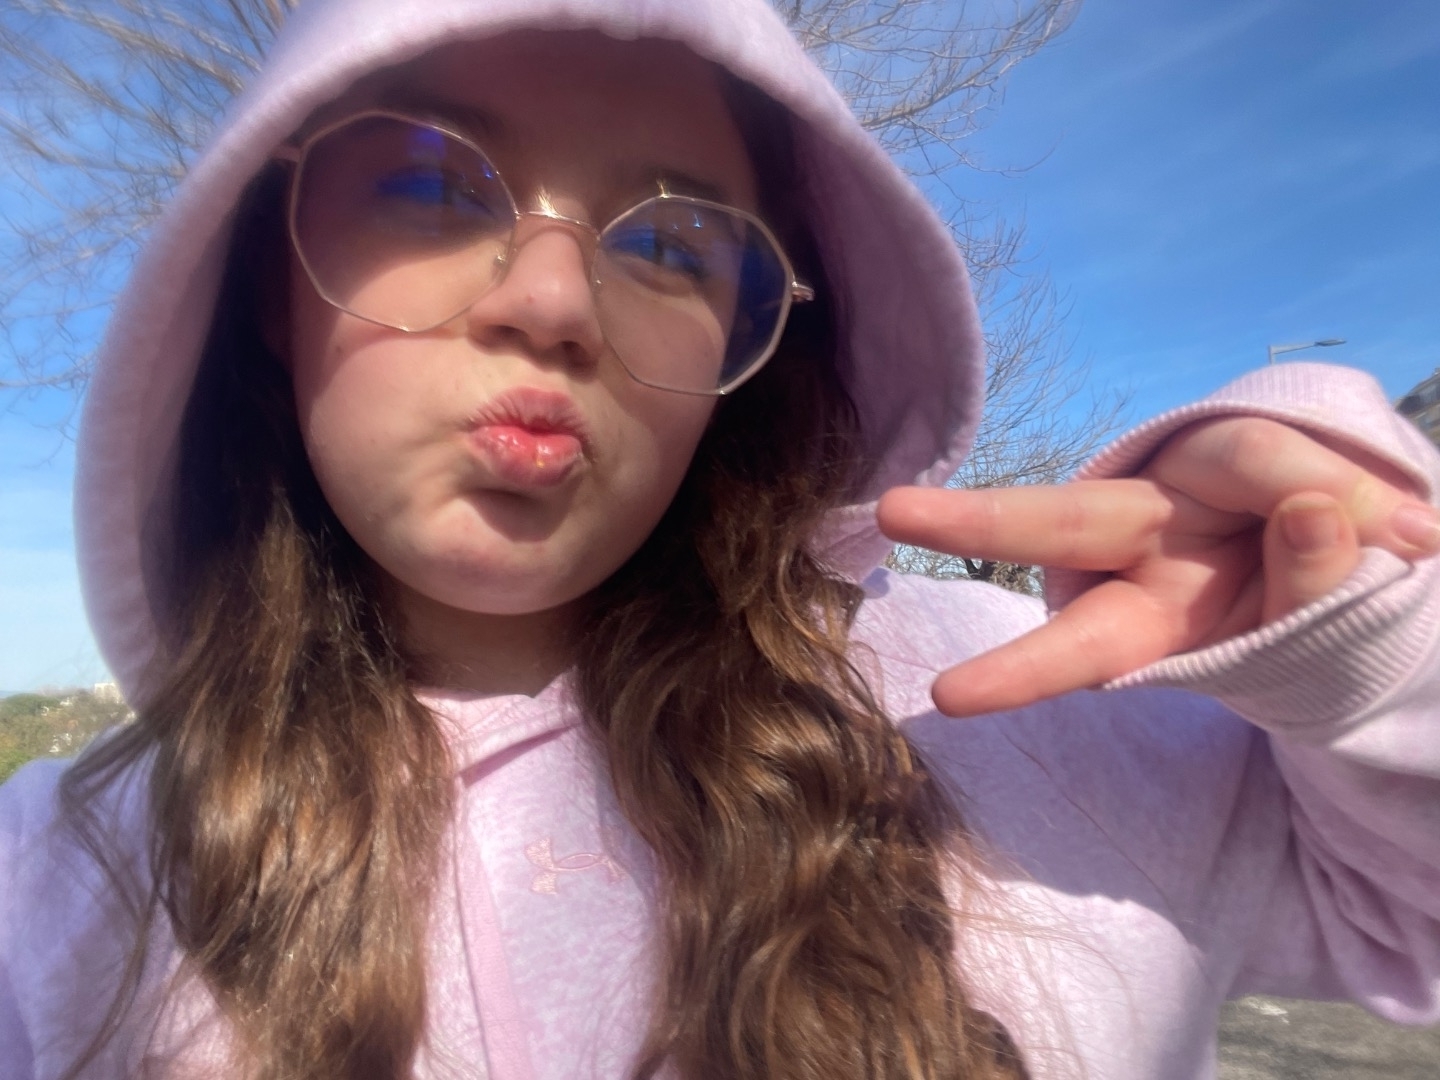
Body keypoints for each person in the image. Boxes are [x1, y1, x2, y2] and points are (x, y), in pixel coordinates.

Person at [1, 0, 1437, 1077]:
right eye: (432, 184)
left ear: (749, 357)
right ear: (270, 284)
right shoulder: (60, 881)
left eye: (670, 243)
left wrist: (1366, 641)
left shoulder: (1008, 706)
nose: (554, 300)